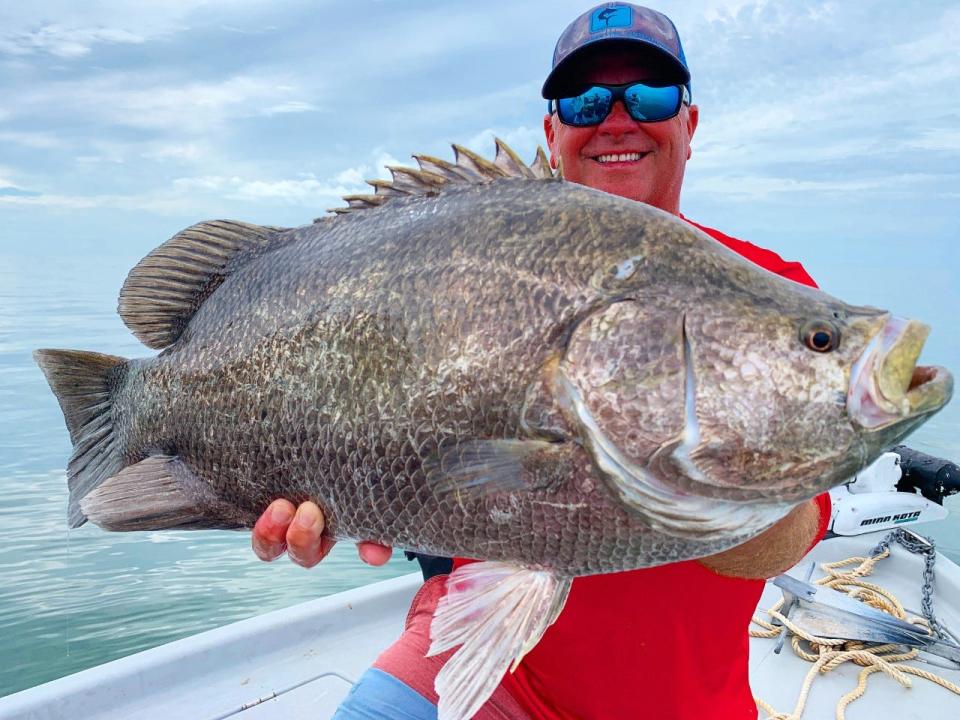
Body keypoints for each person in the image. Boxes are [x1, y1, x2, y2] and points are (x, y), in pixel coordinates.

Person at [253, 4, 832, 718]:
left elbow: (793, 537)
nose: (617, 119)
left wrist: (727, 472)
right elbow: (413, 439)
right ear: (553, 130)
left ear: (690, 123)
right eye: (586, 100)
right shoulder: (462, 256)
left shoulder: (773, 291)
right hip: (478, 654)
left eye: (649, 94)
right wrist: (340, 492)